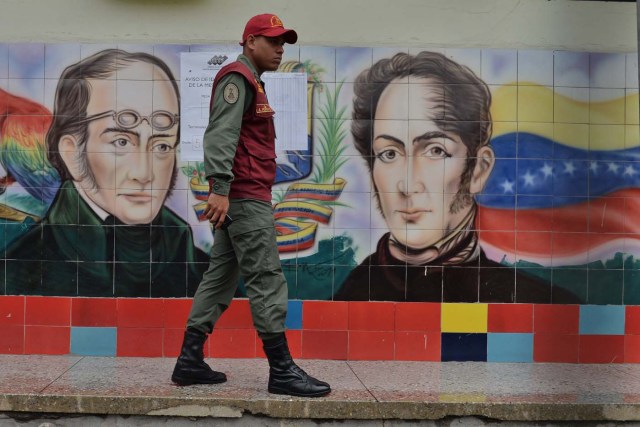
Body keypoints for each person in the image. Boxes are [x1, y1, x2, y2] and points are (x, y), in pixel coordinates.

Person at [333, 51, 579, 304]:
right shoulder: (346, 301)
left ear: (478, 169)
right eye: (389, 153)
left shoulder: (536, 304)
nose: (407, 185)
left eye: (435, 151)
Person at [171, 14, 330, 398]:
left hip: (241, 196)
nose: (280, 49)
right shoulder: (237, 79)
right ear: (250, 41)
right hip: (243, 198)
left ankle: (189, 361)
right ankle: (282, 370)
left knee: (221, 277)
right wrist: (221, 189)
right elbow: (220, 136)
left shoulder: (251, 81)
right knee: (266, 277)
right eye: (273, 42)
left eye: (284, 44)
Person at [3, 49, 208, 297]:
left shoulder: (202, 270)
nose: (143, 174)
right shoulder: (20, 273)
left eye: (162, 146)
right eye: (120, 142)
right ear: (72, 154)